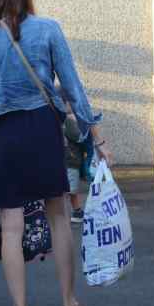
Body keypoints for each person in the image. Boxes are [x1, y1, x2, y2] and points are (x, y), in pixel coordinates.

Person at [0, 0, 112, 306]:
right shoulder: (48, 28)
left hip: (5, 134)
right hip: (42, 131)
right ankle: (69, 304)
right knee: (59, 218)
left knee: (12, 226)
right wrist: (93, 133)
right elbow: (73, 86)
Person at [59, 86, 94, 225]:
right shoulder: (68, 120)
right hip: (71, 160)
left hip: (65, 161)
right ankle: (77, 211)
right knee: (70, 190)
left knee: (66, 190)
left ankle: (72, 212)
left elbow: (76, 137)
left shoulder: (62, 119)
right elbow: (79, 137)